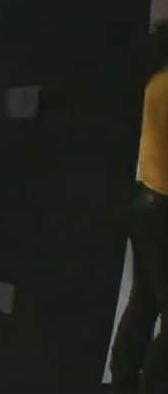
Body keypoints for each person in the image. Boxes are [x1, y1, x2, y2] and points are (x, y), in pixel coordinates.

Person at [111, 22, 168, 394]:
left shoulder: (153, 83)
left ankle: (124, 381)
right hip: (164, 207)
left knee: (144, 301)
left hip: (143, 201)